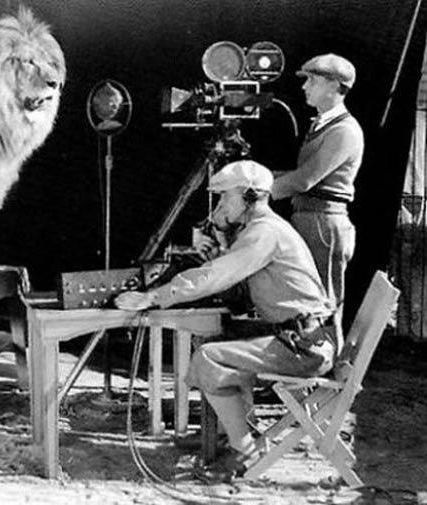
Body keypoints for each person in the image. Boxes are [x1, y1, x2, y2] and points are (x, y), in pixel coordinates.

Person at [115, 160, 338, 483]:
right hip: (301, 338)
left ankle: (245, 450)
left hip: (303, 349)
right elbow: (239, 284)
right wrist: (221, 243)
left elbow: (217, 276)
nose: (219, 207)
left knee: (209, 358)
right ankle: (229, 435)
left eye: (224, 199)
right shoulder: (260, 230)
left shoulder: (264, 233)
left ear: (249, 198)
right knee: (212, 344)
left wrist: (154, 297)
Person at [270, 53, 364, 329]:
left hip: (324, 224)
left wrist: (259, 190)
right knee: (308, 298)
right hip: (309, 218)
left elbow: (305, 180)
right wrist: (261, 177)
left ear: (334, 85)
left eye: (312, 80)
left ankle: (330, 364)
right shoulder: (321, 125)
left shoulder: (345, 131)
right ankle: (312, 359)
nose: (304, 87)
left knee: (325, 302)